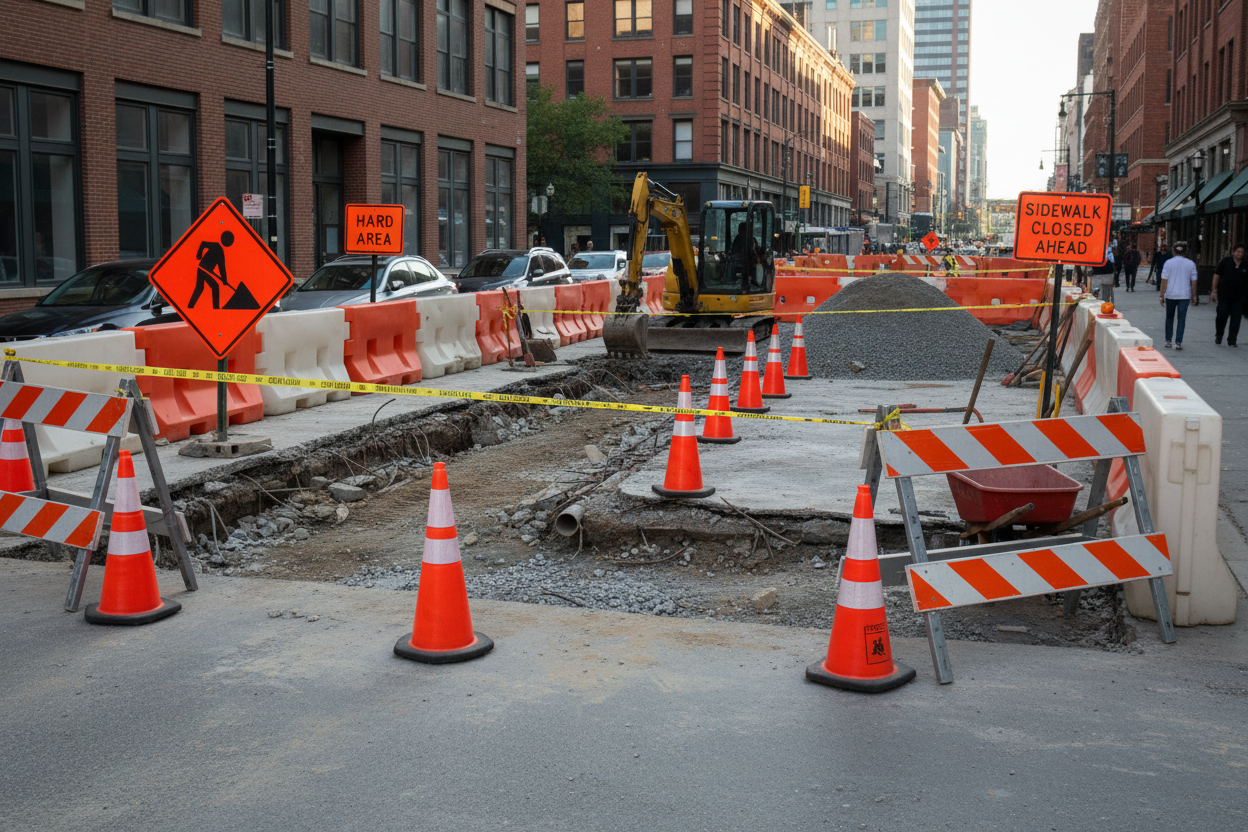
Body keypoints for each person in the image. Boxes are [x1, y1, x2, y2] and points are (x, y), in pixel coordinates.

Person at [1160, 240, 1198, 350]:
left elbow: (1164, 280)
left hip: (1171, 294)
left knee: (1169, 317)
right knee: (1182, 318)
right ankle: (1178, 342)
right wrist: (1194, 296)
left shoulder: (1168, 263)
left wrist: (1162, 295)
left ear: (1173, 251)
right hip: (1185, 295)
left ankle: (1168, 340)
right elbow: (1194, 281)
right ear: (1186, 251)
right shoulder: (1191, 264)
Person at [1212, 243, 1247, 347]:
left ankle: (1232, 340)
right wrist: (1214, 290)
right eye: (1238, 251)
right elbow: (1216, 275)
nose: (1240, 254)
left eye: (1242, 252)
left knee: (1236, 318)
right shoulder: (1225, 262)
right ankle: (1219, 334)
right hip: (1224, 295)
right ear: (1233, 252)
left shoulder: (1246, 264)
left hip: (1239, 296)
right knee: (1221, 316)